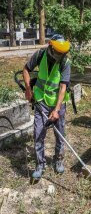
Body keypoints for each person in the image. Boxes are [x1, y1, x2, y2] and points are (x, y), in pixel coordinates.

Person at [23, 34, 71, 179]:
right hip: (41, 100)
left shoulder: (65, 62)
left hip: (58, 103)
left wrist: (56, 110)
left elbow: (63, 87)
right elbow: (26, 69)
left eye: (63, 53)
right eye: (58, 52)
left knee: (60, 133)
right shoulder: (40, 54)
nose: (60, 55)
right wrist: (28, 89)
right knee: (38, 133)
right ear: (50, 47)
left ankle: (58, 160)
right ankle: (40, 164)